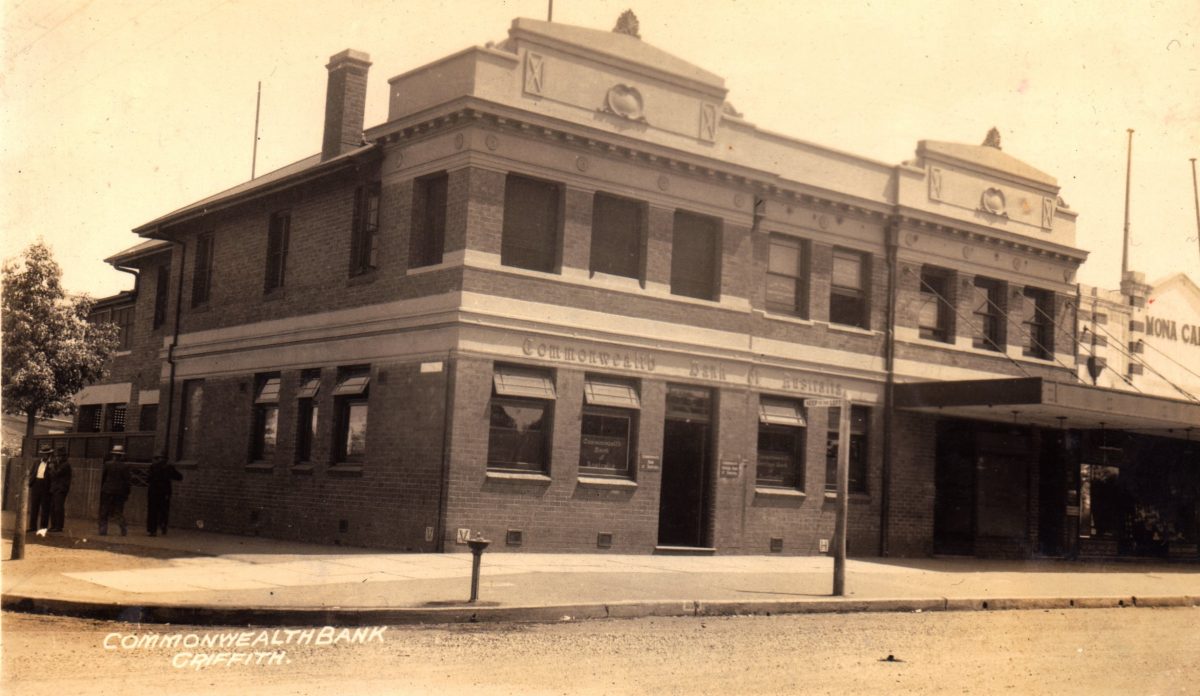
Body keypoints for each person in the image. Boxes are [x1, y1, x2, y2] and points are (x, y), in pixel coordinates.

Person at [98, 444, 131, 536]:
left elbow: (103, 478)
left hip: (107, 490)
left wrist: (102, 489)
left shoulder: (107, 464)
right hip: (119, 492)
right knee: (118, 511)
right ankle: (123, 528)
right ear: (121, 456)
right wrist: (127, 493)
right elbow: (127, 482)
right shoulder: (125, 467)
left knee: (104, 510)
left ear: (113, 455)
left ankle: (103, 530)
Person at [145, 455, 182, 536]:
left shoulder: (153, 467)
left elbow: (147, 479)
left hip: (153, 492)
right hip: (165, 493)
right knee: (164, 510)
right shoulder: (169, 467)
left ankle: (152, 530)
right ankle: (163, 526)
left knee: (152, 511)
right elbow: (179, 477)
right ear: (166, 459)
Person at [27, 444, 54, 531]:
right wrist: (31, 482)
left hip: (46, 486)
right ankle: (32, 527)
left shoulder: (52, 463)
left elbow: (53, 476)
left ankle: (43, 528)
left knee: (45, 508)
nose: (45, 455)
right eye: (43, 453)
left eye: (47, 454)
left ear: (50, 454)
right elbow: (32, 472)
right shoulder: (36, 462)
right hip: (36, 484)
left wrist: (51, 469)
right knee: (34, 506)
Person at [48, 447, 72, 533]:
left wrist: (52, 468)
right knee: (53, 507)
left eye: (59, 456)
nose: (57, 458)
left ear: (63, 457)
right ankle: (54, 525)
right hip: (56, 488)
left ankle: (58, 526)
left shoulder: (65, 465)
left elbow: (56, 474)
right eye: (57, 456)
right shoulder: (59, 464)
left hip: (61, 489)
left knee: (58, 507)